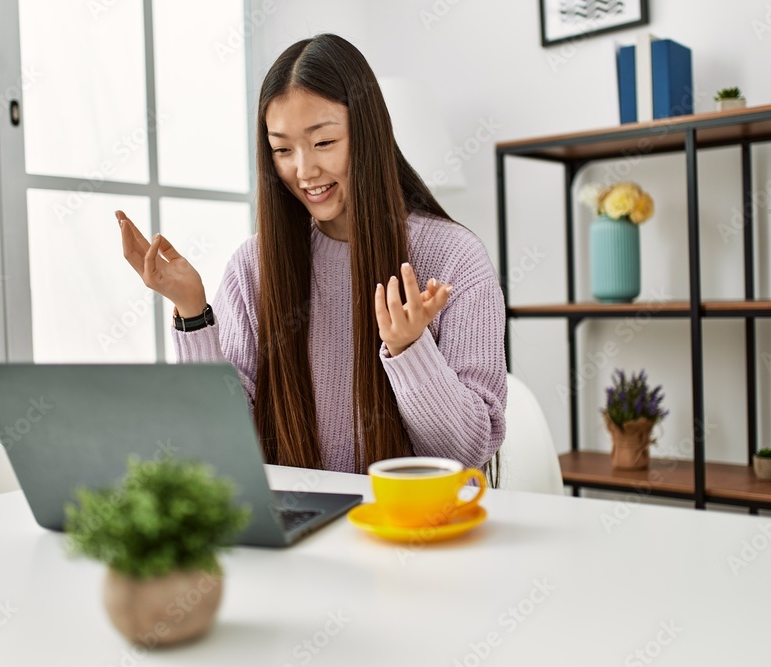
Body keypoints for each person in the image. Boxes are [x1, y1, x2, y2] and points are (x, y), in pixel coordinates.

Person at [115, 33, 506, 477]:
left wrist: (408, 348)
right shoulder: (254, 266)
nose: (303, 171)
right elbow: (221, 445)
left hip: (405, 532)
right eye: (282, 150)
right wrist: (192, 312)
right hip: (295, 529)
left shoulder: (455, 258)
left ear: (368, 134)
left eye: (323, 143)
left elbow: (469, 450)